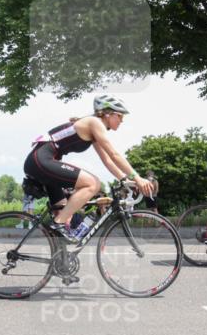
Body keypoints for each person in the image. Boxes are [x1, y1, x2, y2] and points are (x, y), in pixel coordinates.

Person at [23, 94, 153, 241]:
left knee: (66, 214)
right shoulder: (94, 122)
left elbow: (107, 160)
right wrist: (137, 177)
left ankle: (60, 260)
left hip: (40, 162)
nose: (122, 120)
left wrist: (124, 179)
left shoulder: (93, 128)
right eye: (120, 116)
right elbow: (114, 154)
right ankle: (57, 224)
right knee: (93, 183)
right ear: (108, 113)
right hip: (40, 160)